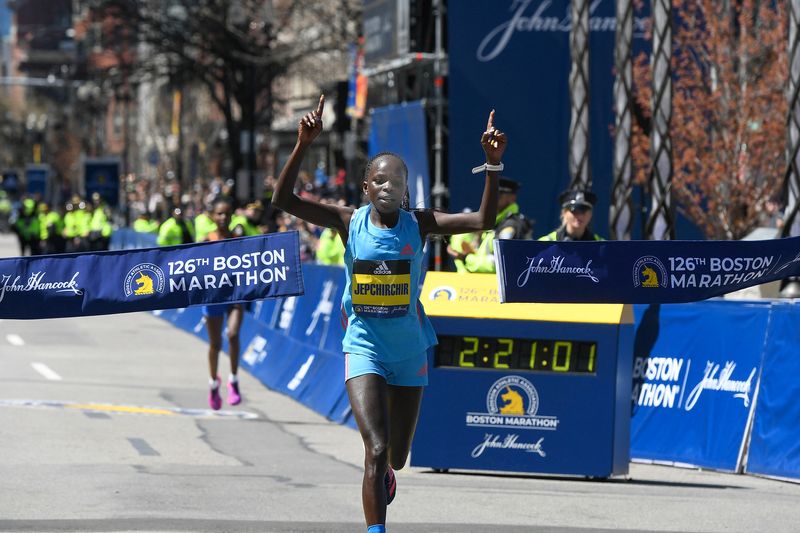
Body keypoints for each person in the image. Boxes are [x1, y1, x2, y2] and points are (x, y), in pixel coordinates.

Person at [271, 95, 505, 533]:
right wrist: (303, 142)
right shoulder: (348, 221)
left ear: (406, 189)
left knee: (396, 455)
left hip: (409, 351)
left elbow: (483, 220)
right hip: (363, 347)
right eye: (378, 180)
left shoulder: (421, 223)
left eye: (395, 181)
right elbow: (283, 199)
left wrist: (492, 164)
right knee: (374, 450)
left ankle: (387, 474)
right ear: (366, 187)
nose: (386, 187)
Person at [202, 198, 244, 410]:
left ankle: (234, 380)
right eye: (219, 214)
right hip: (213, 296)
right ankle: (213, 383)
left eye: (227, 214)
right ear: (213, 216)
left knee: (233, 335)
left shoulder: (238, 239)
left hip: (235, 295)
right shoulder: (206, 239)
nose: (223, 218)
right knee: (215, 344)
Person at [458, 177, 532, 273]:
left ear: (512, 198)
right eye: (491, 194)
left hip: (501, 286)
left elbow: (500, 263)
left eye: (499, 194)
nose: (493, 198)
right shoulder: (496, 223)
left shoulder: (511, 224)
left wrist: (467, 258)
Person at [538, 189, 604, 241]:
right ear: (564, 213)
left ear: (590, 214)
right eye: (575, 211)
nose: (579, 216)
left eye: (583, 212)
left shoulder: (601, 246)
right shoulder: (545, 244)